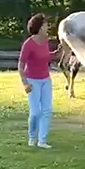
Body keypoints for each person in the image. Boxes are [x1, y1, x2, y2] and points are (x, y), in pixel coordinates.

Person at [19, 13, 61, 149]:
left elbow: (47, 57)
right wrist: (25, 83)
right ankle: (32, 137)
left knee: (47, 110)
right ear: (38, 27)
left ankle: (42, 141)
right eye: (45, 25)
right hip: (32, 81)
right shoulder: (29, 44)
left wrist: (58, 52)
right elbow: (21, 63)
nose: (47, 27)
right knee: (36, 112)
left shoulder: (45, 42)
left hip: (45, 80)